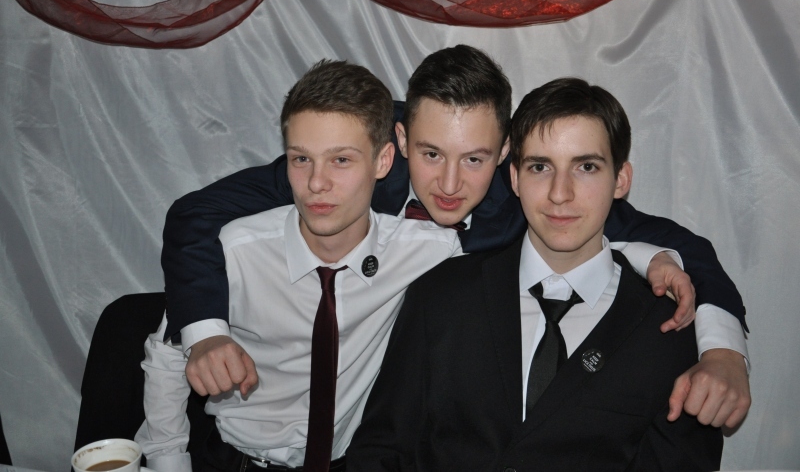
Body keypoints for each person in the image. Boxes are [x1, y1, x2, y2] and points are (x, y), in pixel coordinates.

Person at [162, 45, 749, 427]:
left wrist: (723, 353)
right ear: (397, 143)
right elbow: (196, 216)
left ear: (505, 156)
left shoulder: (524, 196)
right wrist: (207, 335)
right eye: (430, 154)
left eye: (474, 159)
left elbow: (679, 245)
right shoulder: (350, 168)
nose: (448, 184)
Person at [346, 78, 724, 471]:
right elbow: (381, 449)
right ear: (514, 178)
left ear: (621, 180)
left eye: (586, 167)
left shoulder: (668, 331)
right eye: (540, 167)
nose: (560, 193)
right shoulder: (440, 293)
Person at [135, 60, 463, 471]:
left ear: (383, 161)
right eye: (301, 159)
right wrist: (169, 464)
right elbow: (166, 359)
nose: (316, 183)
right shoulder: (234, 251)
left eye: (341, 160)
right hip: (237, 460)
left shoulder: (430, 252)